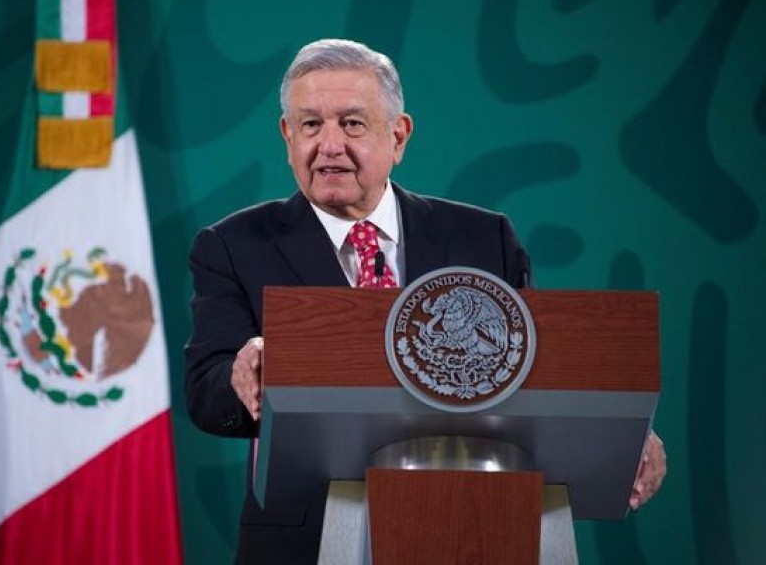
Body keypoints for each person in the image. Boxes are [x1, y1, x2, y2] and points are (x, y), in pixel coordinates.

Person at [184, 38, 666, 564]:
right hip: (302, 541)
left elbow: (532, 374)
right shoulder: (233, 245)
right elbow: (206, 392)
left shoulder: (484, 239)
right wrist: (243, 376)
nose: (329, 145)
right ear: (287, 135)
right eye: (310, 124)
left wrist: (622, 439)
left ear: (398, 136)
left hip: (473, 527)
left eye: (351, 123)